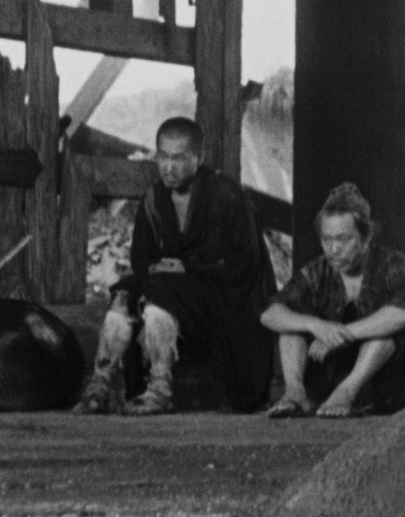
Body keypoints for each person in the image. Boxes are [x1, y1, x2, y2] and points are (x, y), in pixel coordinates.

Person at [73, 117, 275, 415]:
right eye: (163, 157)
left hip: (220, 294)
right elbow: (141, 259)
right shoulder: (155, 198)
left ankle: (160, 389)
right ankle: (100, 385)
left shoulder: (227, 195)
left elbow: (246, 263)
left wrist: (187, 266)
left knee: (160, 297)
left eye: (179, 158)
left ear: (199, 158)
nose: (169, 167)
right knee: (124, 295)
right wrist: (160, 268)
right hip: (171, 287)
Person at [261, 182, 405, 418]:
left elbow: (403, 315)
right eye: (326, 239)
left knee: (383, 334)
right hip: (332, 377)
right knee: (292, 325)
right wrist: (315, 325)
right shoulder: (318, 271)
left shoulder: (395, 265)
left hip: (389, 385)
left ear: (365, 237)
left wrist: (340, 335)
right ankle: (295, 394)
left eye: (344, 239)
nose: (334, 249)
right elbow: (269, 313)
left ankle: (346, 393)